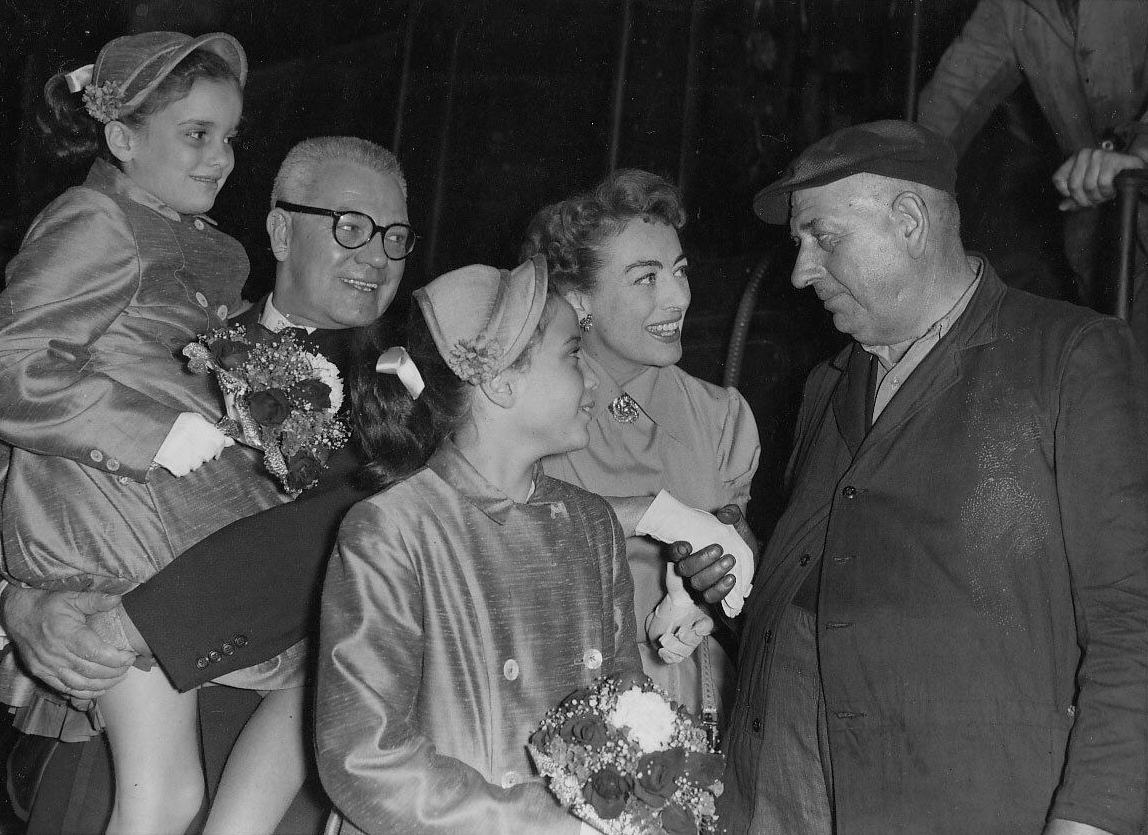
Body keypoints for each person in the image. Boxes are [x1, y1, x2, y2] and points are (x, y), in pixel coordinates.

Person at [677, 120, 1148, 835]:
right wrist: (748, 578)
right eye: (797, 244)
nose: (800, 271)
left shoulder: (1068, 358)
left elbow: (1133, 624)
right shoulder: (827, 384)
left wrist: (1091, 823)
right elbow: (839, 597)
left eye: (822, 236)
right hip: (776, 797)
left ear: (909, 221)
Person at [0, 131, 413, 834]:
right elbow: (33, 461)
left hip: (291, 773)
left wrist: (125, 621)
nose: (375, 255)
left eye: (396, 237)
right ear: (281, 229)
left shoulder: (414, 407)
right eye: (350, 227)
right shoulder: (161, 343)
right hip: (112, 745)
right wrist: (21, 602)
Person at [318, 256, 641, 834]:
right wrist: (547, 826)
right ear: (500, 380)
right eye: (572, 354)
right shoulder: (394, 530)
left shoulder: (592, 525)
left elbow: (626, 706)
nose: (593, 380)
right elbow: (364, 757)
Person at [520, 168, 760, 730]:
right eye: (646, 279)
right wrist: (651, 516)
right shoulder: (526, 415)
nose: (679, 297)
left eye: (680, 272)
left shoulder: (721, 418)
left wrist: (718, 587)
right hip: (559, 706)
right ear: (579, 299)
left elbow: (745, 569)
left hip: (698, 706)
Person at [917, 0, 1148, 345]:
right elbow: (950, 100)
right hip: (1103, 237)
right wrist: (896, 181)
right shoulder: (1009, 10)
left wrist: (1142, 149)